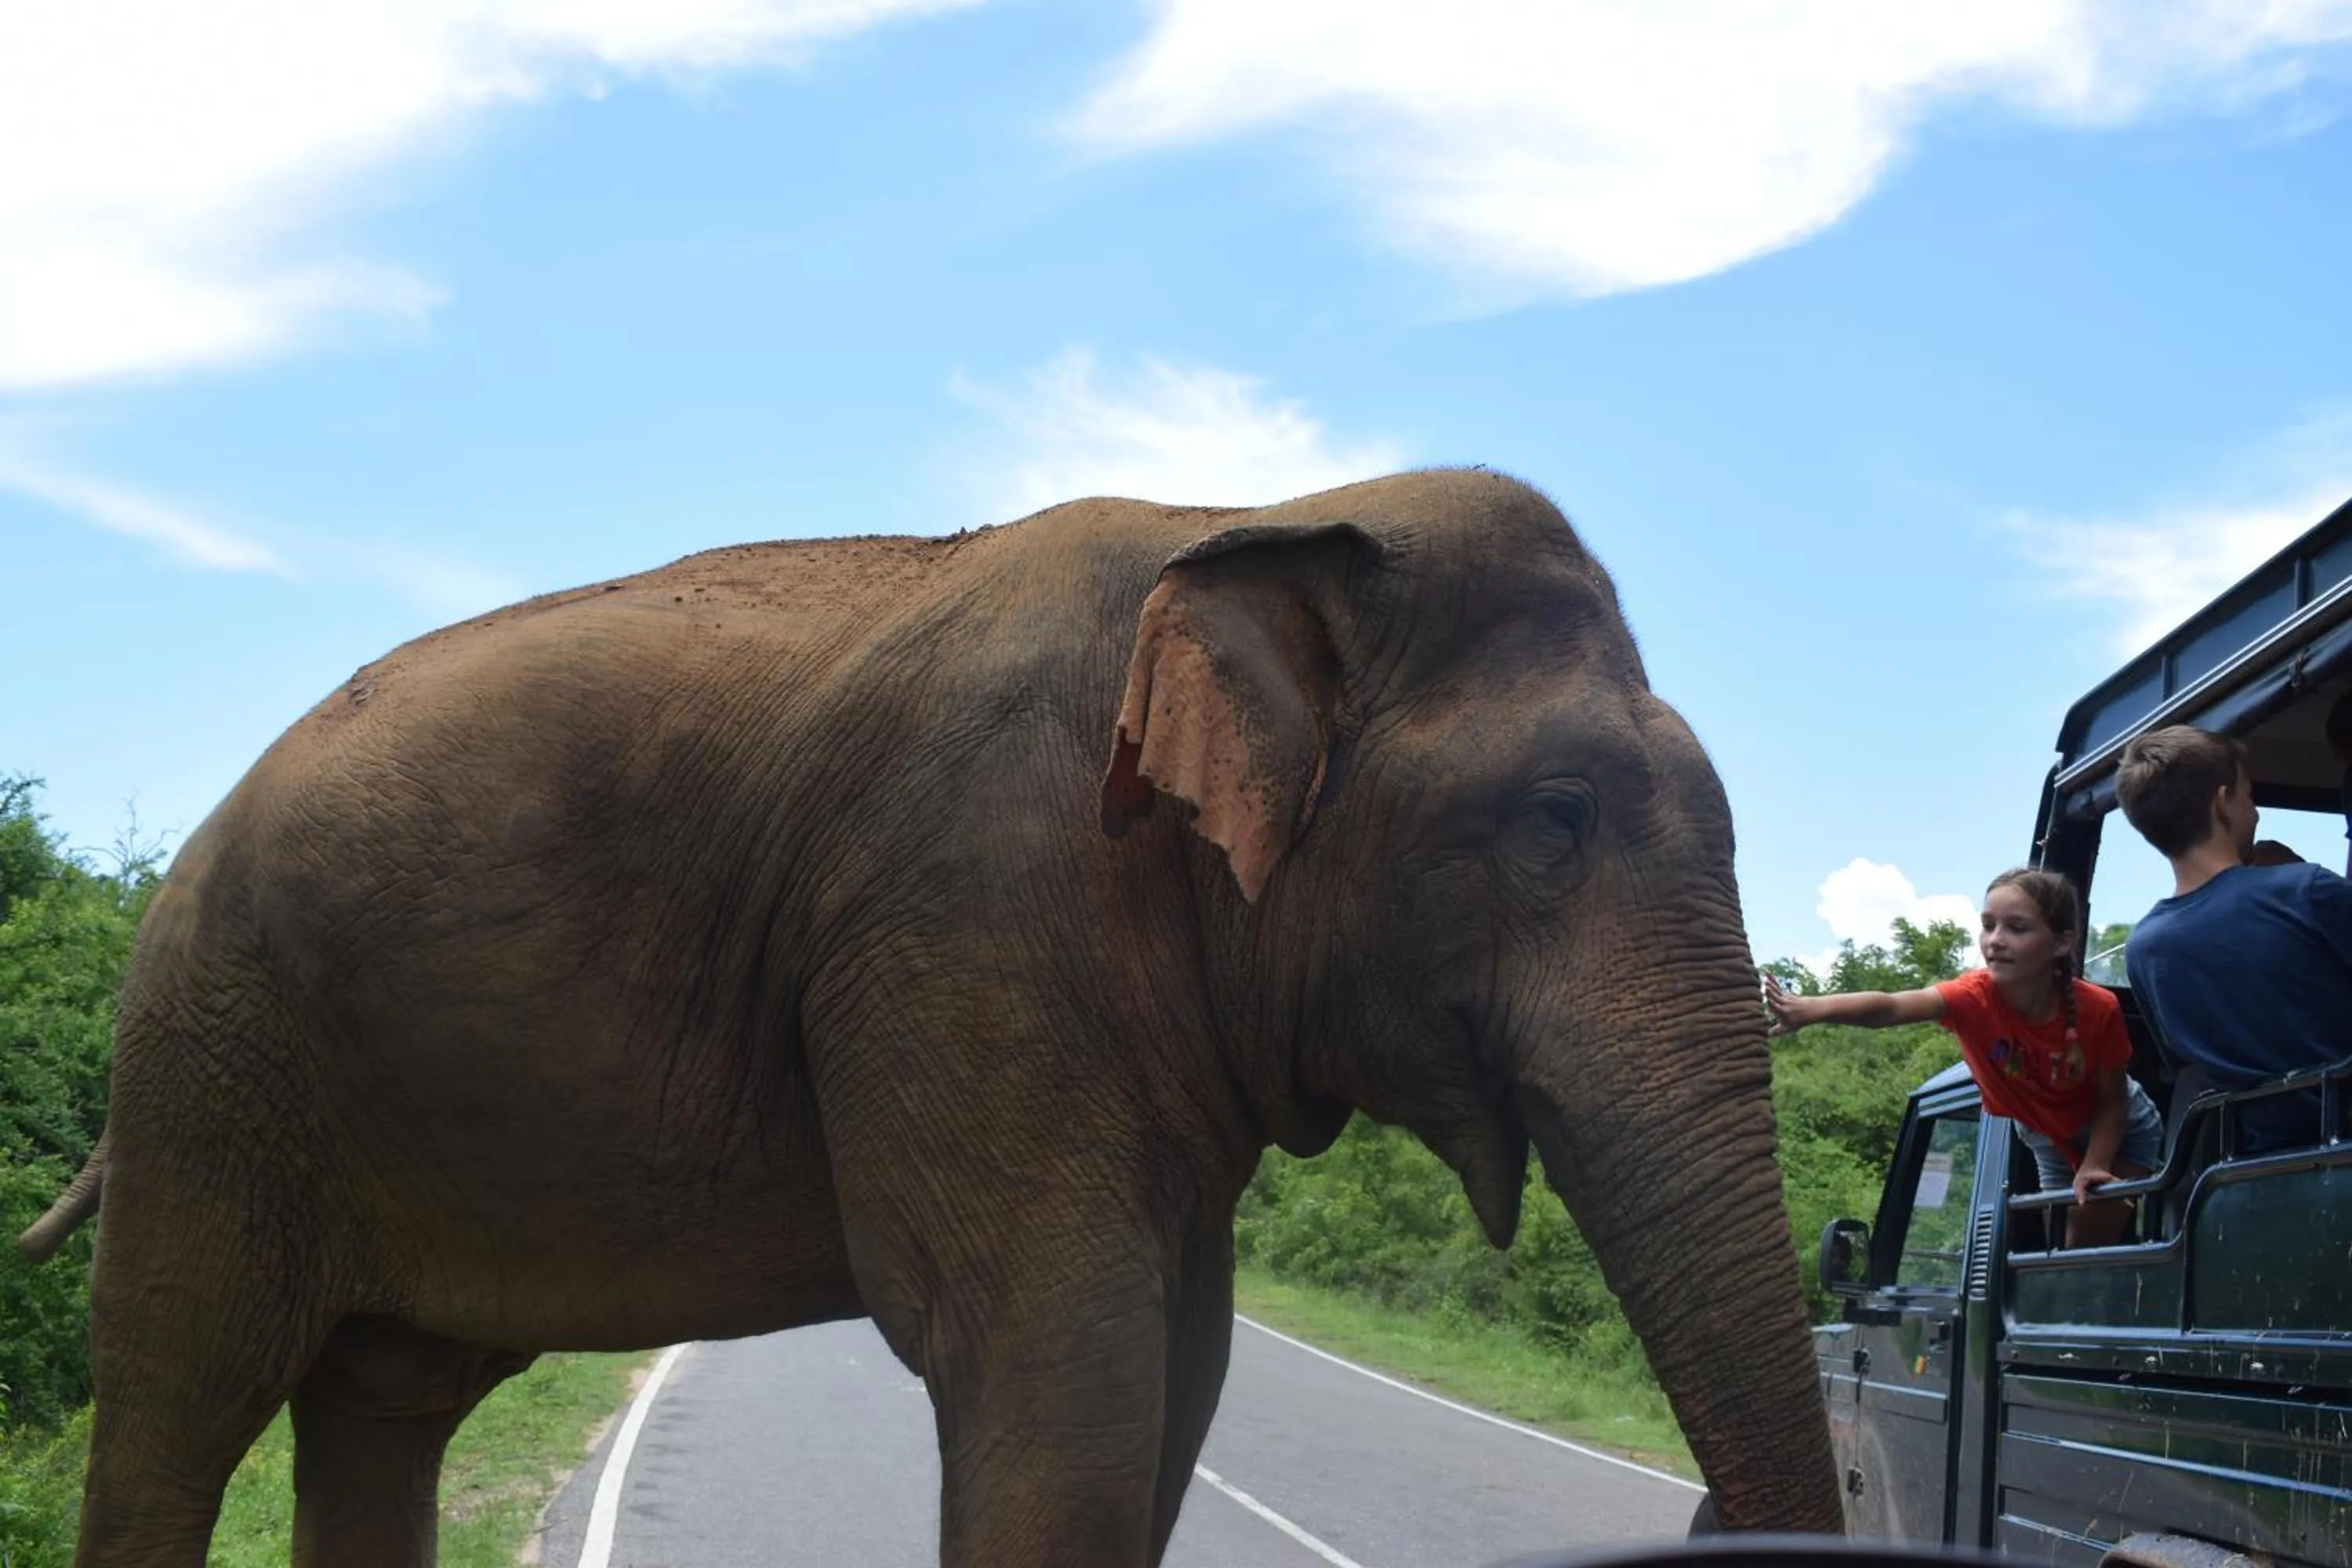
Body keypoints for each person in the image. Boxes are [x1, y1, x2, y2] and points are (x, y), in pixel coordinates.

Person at [1766, 868, 2161, 1248]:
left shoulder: (2098, 1008)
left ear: (2061, 943)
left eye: (2016, 928)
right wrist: (1811, 1009)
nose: (1996, 940)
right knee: (2059, 1252)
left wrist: (2095, 1164)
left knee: (2086, 1246)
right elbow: (1891, 1007)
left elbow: (2113, 1100)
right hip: (2047, 1136)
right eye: (1988, 925)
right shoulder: (1971, 998)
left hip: (2121, 1127)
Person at [2115, 724, 2352, 1152]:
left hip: (2258, 1167)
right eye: (2249, 796)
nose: (2255, 812)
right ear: (2223, 802)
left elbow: (2187, 1065)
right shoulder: (2306, 889)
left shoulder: (2144, 950)